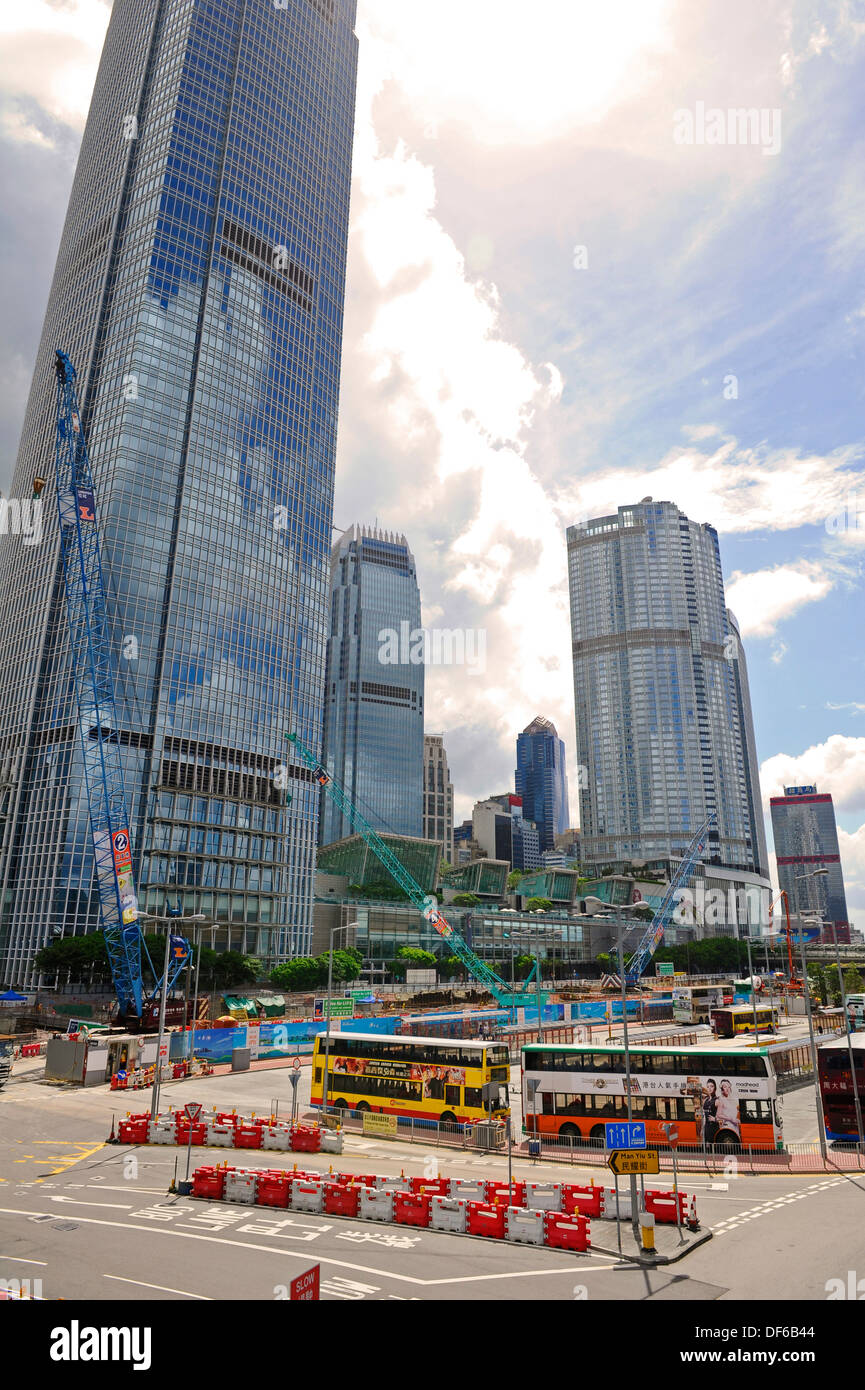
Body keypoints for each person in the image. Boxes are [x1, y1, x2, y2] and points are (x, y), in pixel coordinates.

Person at [701, 1079, 719, 1144]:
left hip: (714, 1127)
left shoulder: (717, 1101)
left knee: (713, 1147)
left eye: (712, 1086)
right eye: (708, 1087)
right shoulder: (706, 1100)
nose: (709, 1088)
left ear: (715, 1088)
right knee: (707, 1148)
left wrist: (715, 1119)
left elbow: (725, 1116)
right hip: (706, 1127)